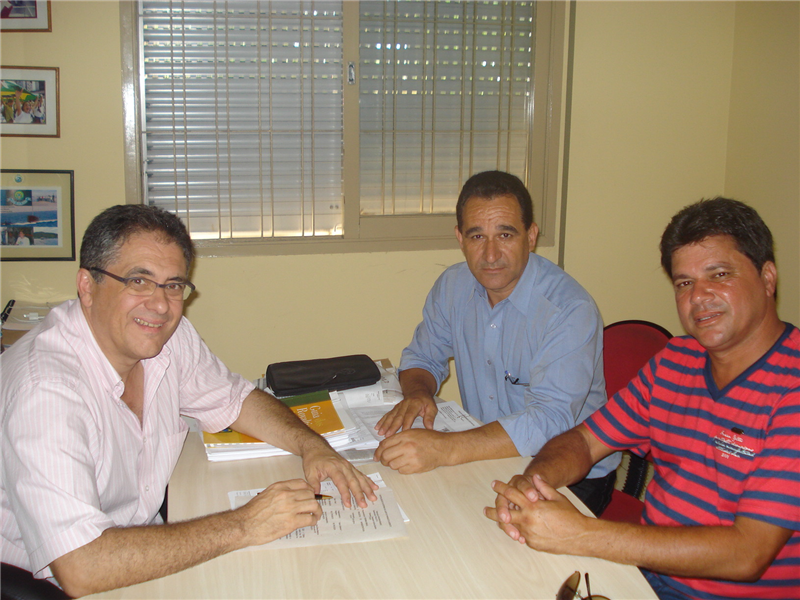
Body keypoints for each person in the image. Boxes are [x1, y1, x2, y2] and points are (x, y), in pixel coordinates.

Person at [0, 204, 378, 598]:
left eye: (173, 285)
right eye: (138, 281)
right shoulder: (45, 393)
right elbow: (81, 566)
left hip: (134, 541)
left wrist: (313, 447)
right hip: (46, 582)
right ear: (87, 286)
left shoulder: (167, 338)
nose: (161, 305)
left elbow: (236, 399)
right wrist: (246, 524)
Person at [486, 197, 799, 600]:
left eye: (718, 275)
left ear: (768, 278)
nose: (698, 296)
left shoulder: (790, 387)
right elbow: (584, 440)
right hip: (649, 579)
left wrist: (582, 533)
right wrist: (533, 484)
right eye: (684, 282)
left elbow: (747, 554)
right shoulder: (675, 362)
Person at [374, 170, 618, 516]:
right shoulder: (452, 286)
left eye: (505, 234)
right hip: (488, 454)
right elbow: (422, 356)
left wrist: (446, 449)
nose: (490, 255)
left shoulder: (568, 310)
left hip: (567, 472)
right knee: (417, 510)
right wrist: (418, 393)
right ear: (460, 238)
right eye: (477, 236)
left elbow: (550, 421)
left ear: (531, 236)